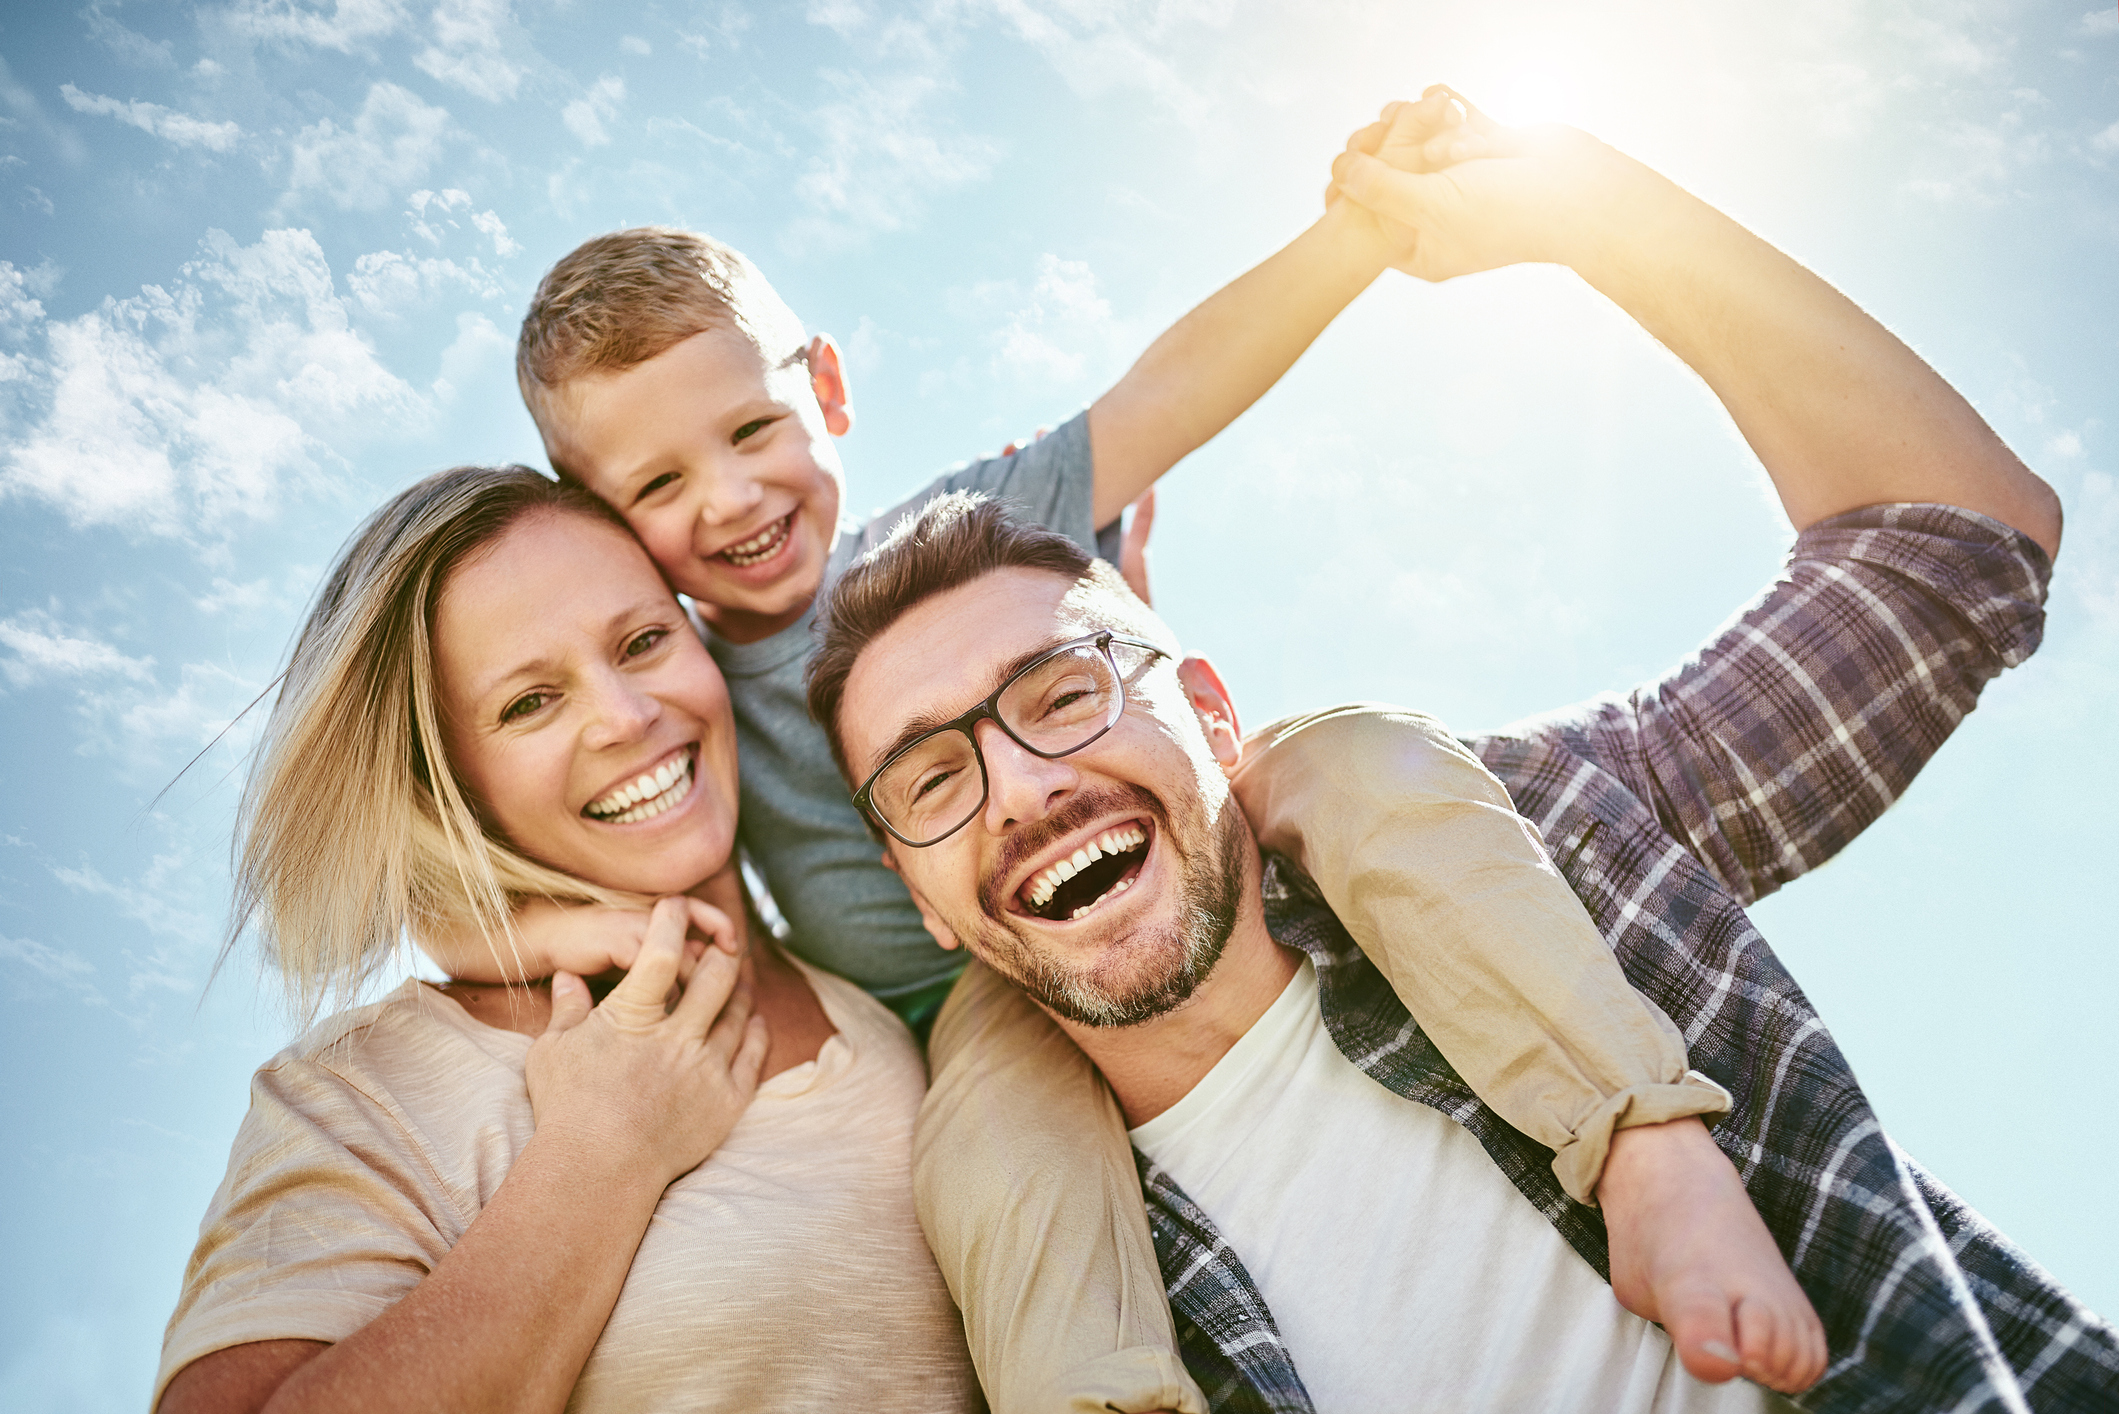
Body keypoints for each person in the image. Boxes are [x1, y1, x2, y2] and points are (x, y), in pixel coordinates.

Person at [809, 96, 2119, 1414]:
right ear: (911, 888)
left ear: (1212, 711)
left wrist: (1591, 210)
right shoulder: (1014, 1265)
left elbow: (1953, 542)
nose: (1022, 786)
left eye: (1061, 691)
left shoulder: (1528, 835)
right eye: (931, 776)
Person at [154, 469, 970, 1410]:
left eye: (645, 640)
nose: (624, 717)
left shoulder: (889, 1001)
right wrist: (603, 1155)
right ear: (449, 785)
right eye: (529, 702)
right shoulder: (363, 1089)